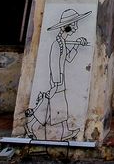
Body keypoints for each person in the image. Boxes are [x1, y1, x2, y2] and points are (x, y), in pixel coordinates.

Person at [24, 8, 91, 141]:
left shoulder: (63, 43)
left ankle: (62, 130)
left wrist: (77, 45)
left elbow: (69, 58)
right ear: (67, 27)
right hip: (57, 80)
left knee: (58, 107)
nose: (76, 28)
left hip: (60, 80)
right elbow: (54, 63)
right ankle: (33, 125)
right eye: (74, 24)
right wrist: (56, 83)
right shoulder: (57, 44)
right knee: (54, 108)